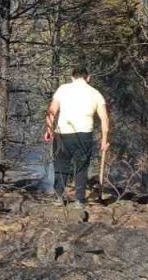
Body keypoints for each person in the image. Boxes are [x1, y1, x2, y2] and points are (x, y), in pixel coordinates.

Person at [43, 66, 110, 207]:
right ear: (88, 78)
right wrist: (104, 140)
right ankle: (79, 200)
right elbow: (104, 118)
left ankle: (58, 197)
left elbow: (51, 111)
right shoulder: (96, 93)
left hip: (63, 133)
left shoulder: (62, 89)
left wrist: (49, 129)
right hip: (84, 134)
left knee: (61, 164)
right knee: (81, 167)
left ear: (72, 77)